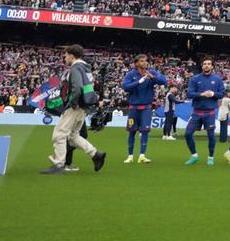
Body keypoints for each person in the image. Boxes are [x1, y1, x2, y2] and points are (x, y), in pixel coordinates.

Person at [39, 44, 106, 175]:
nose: (64, 58)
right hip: (84, 107)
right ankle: (96, 155)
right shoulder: (86, 68)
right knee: (73, 136)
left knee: (59, 134)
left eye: (65, 55)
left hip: (75, 107)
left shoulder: (75, 67)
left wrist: (72, 103)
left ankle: (59, 165)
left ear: (71, 55)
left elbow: (77, 87)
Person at [121, 53, 167, 164]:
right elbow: (125, 87)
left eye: (145, 61)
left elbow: (164, 81)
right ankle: (130, 156)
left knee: (145, 131)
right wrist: (139, 81)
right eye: (141, 61)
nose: (144, 63)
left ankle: (142, 156)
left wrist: (153, 78)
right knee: (132, 131)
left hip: (146, 108)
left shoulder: (151, 72)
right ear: (136, 63)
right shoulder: (131, 74)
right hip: (133, 108)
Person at [184, 58, 224, 166]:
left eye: (209, 64)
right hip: (197, 111)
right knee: (187, 134)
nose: (207, 65)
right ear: (202, 66)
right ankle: (194, 156)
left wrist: (212, 94)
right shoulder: (195, 79)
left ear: (212, 66)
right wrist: (202, 94)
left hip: (210, 112)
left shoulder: (217, 79)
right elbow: (189, 94)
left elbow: (221, 94)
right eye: (205, 64)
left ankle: (210, 157)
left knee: (211, 136)